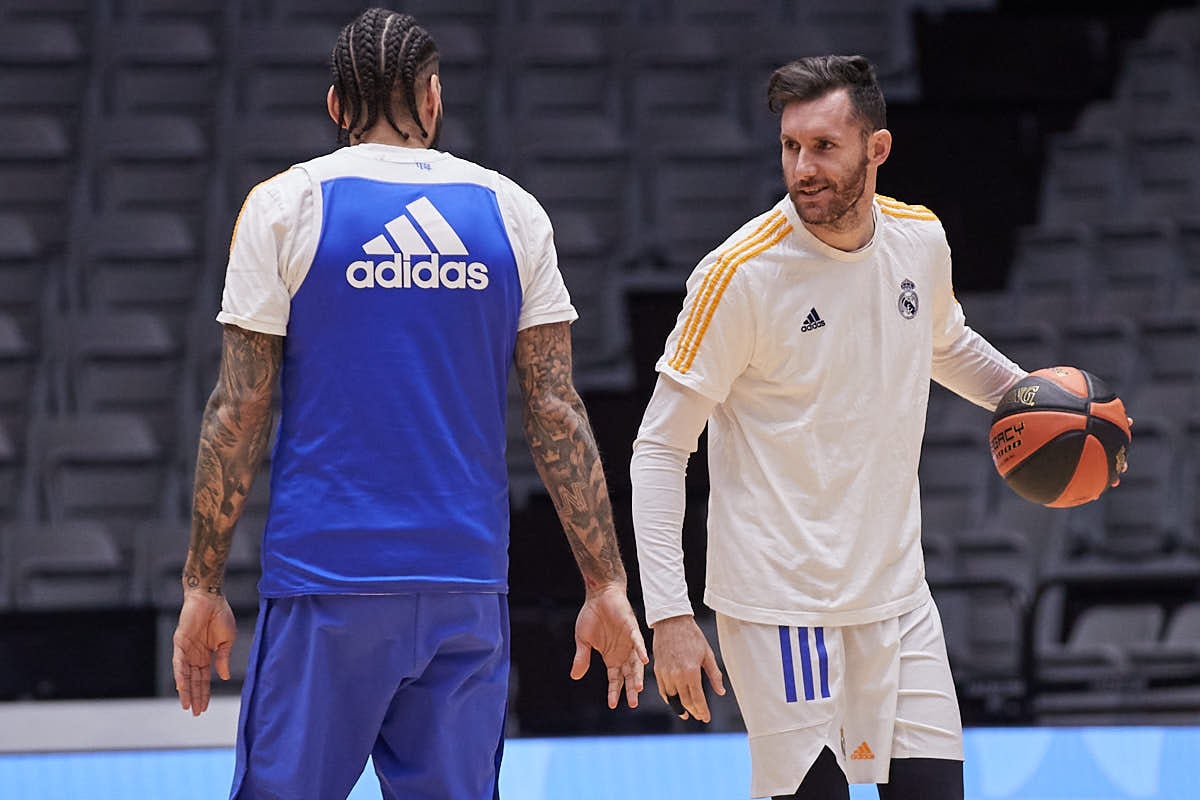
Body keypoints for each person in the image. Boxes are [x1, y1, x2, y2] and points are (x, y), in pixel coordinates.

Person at [172, 8, 647, 799]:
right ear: (432, 99)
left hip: (329, 582)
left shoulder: (285, 205)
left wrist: (200, 584)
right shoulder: (513, 211)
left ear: (335, 107)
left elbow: (237, 410)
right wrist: (604, 587)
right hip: (464, 586)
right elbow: (557, 412)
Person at [630, 55, 1033, 800]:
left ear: (876, 149)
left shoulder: (920, 239)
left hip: (897, 596)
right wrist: (670, 616)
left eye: (824, 147)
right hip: (781, 606)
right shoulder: (739, 274)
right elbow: (659, 448)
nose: (803, 168)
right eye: (791, 147)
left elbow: (945, 344)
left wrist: (1037, 402)